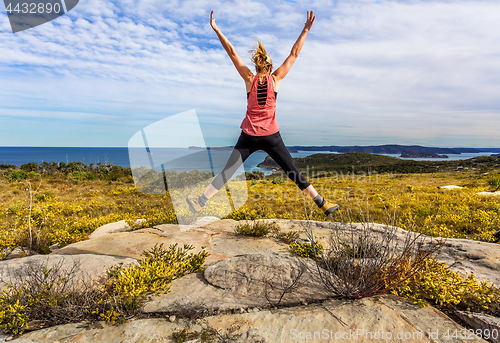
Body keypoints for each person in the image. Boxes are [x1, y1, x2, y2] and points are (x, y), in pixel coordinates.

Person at [186, 10, 338, 216]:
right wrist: (305, 30)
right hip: (271, 136)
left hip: (248, 136)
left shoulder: (249, 78)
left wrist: (216, 29)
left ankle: (200, 202)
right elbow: (294, 55)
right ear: (270, 66)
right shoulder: (276, 79)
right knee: (291, 170)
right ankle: (322, 203)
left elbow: (231, 52)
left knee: (227, 172)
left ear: (256, 66)